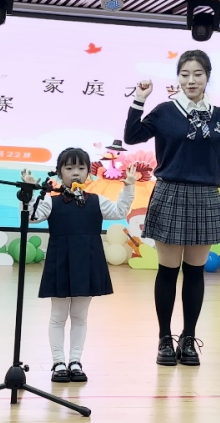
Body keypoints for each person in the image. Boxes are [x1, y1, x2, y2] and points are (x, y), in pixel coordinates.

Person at [123, 49, 220, 367]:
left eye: (197, 74)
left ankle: (188, 339)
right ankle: (164, 339)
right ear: (178, 77)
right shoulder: (165, 111)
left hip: (206, 196)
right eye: (185, 74)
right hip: (170, 193)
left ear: (207, 77)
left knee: (195, 271)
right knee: (168, 270)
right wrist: (139, 99)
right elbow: (131, 137)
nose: (191, 80)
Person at [21, 148, 135, 382]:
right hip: (60, 261)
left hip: (87, 260)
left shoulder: (97, 201)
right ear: (59, 172)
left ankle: (75, 361)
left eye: (81, 168)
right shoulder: (51, 201)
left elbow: (120, 211)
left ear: (88, 173)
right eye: (69, 168)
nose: (75, 172)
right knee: (58, 315)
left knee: (80, 316)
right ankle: (58, 362)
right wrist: (30, 192)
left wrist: (129, 187)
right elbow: (32, 216)